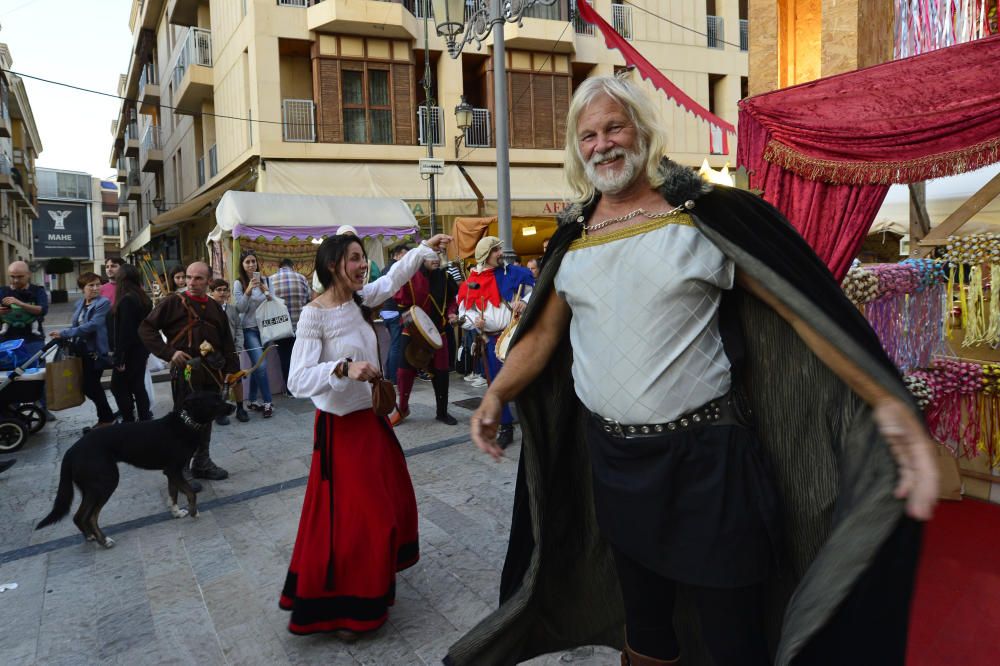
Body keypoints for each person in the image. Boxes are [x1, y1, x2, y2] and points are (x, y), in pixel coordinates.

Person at [447, 76, 938, 666]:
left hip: (708, 463)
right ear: (578, 152)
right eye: (588, 136)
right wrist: (496, 395)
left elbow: (802, 309)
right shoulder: (573, 240)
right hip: (616, 465)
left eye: (614, 127)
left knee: (733, 636)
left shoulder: (704, 218)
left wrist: (881, 398)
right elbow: (543, 337)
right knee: (646, 632)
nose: (603, 144)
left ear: (642, 132)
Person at [280, 232, 452, 637]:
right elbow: (296, 380)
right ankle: (352, 608)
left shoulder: (360, 300)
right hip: (340, 432)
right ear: (332, 264)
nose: (362, 266)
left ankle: (367, 590)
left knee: (388, 509)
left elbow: (393, 278)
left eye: (363, 258)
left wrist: (425, 248)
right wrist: (342, 368)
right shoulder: (313, 315)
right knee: (365, 518)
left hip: (371, 424)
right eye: (354, 259)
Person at [139, 262, 238, 483]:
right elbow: (146, 329)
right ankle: (180, 467)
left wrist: (232, 371)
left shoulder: (214, 307)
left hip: (211, 371)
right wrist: (169, 353)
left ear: (208, 281)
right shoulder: (173, 302)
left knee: (207, 417)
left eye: (198, 278)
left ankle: (202, 462)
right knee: (185, 420)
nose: (191, 283)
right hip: (185, 373)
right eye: (189, 277)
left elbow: (226, 342)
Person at [456, 236, 534, 447]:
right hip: (491, 340)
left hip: (517, 335)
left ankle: (534, 426)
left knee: (527, 383)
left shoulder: (515, 273)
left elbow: (535, 290)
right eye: (495, 251)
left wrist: (525, 303)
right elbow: (464, 314)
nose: (501, 253)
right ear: (484, 256)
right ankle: (506, 427)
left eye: (499, 248)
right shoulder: (471, 282)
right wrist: (475, 321)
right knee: (498, 386)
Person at [390, 250, 459, 426]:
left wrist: (451, 313)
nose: (436, 259)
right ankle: (402, 408)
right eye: (431, 256)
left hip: (439, 331)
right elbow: (402, 307)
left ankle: (442, 412)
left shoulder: (445, 276)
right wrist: (413, 322)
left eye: (438, 255)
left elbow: (452, 300)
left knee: (442, 373)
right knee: (404, 372)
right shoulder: (409, 276)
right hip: (413, 332)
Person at [51, 273, 114, 431]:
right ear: (82, 289)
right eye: (91, 285)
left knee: (91, 386)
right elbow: (77, 325)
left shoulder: (103, 303)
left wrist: (65, 333)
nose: (95, 288)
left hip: (95, 352)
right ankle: (106, 417)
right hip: (81, 350)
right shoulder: (80, 303)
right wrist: (64, 334)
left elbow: (93, 325)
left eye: (98, 284)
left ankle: (106, 418)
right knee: (88, 386)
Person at [109, 264, 153, 422]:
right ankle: (144, 418)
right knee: (137, 386)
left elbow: (126, 331)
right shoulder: (143, 298)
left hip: (130, 352)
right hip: (141, 349)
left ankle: (129, 419)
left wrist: (120, 356)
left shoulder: (127, 299)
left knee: (118, 386)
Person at [234, 251, 274, 418]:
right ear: (242, 266)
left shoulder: (267, 280)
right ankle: (267, 403)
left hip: (265, 328)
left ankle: (251, 400)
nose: (251, 265)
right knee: (261, 366)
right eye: (247, 262)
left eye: (253, 261)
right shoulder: (239, 283)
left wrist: (265, 290)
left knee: (257, 367)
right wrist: (248, 290)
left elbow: (273, 302)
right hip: (249, 329)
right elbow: (239, 309)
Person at [208, 278, 249, 425]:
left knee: (236, 380)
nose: (222, 293)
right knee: (218, 381)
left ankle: (240, 408)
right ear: (211, 292)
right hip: (214, 353)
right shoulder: (208, 310)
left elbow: (238, 328)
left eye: (225, 290)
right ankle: (219, 411)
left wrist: (238, 347)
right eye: (218, 290)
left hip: (231, 352)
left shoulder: (232, 309)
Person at [269, 258, 311, 388]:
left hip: (281, 327)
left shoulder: (271, 280)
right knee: (300, 357)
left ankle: (289, 389)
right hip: (300, 325)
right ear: (292, 266)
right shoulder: (302, 278)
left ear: (279, 267)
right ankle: (302, 385)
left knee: (285, 357)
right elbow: (309, 299)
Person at [381, 244, 410, 385]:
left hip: (385, 311)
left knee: (393, 344)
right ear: (397, 255)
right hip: (395, 310)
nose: (407, 258)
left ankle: (388, 373)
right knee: (396, 346)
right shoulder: (397, 268)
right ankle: (394, 377)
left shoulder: (385, 268)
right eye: (405, 255)